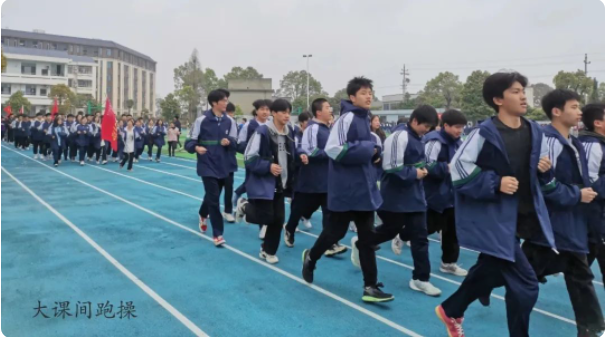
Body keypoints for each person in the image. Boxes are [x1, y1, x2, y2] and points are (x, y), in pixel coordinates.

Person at [435, 72, 556, 337]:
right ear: (498, 99)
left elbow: (537, 167)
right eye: (515, 91)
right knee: (526, 285)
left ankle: (451, 308)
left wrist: (543, 170)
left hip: (527, 215)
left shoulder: (535, 129)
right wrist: (495, 183)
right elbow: (458, 170)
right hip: (496, 218)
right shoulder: (483, 133)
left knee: (493, 268)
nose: (523, 95)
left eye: (523, 90)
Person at [302, 77, 394, 302]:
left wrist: (375, 155)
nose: (369, 96)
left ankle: (370, 286)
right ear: (352, 97)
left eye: (370, 92)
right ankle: (311, 257)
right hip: (345, 188)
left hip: (364, 188)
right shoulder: (348, 118)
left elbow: (370, 151)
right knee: (335, 233)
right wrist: (366, 149)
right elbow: (333, 149)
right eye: (363, 93)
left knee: (367, 237)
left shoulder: (365, 120)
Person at [521, 89, 604, 336]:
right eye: (574, 107)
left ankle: (590, 329)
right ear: (557, 112)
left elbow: (582, 181)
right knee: (520, 271)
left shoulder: (573, 142)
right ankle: (468, 294)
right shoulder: (550, 142)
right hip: (552, 225)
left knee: (579, 275)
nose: (580, 112)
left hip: (573, 221)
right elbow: (544, 186)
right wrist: (579, 194)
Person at [353, 105, 441, 297]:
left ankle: (421, 278)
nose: (427, 130)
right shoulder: (398, 137)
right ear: (415, 120)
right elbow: (391, 167)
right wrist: (414, 173)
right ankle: (363, 243)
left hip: (416, 195)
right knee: (389, 230)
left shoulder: (421, 138)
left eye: (430, 127)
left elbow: (420, 162)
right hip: (395, 196)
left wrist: (423, 170)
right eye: (425, 125)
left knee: (420, 236)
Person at [234, 99, 295, 263]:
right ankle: (243, 205)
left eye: (288, 112)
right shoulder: (263, 132)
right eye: (283, 112)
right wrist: (267, 166)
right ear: (274, 113)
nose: (286, 115)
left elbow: (293, 153)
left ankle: (268, 251)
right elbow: (249, 157)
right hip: (265, 183)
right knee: (266, 217)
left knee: (279, 219)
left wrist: (301, 156)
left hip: (281, 183)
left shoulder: (289, 132)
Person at [284, 98, 347, 256]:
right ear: (318, 112)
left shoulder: (330, 128)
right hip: (311, 180)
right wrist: (332, 153)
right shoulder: (313, 129)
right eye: (327, 107)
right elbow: (309, 151)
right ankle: (289, 229)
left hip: (328, 179)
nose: (331, 109)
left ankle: (330, 243)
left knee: (329, 212)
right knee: (299, 209)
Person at [412, 109, 468, 277]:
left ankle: (449, 262)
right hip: (434, 194)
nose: (460, 130)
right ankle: (403, 234)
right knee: (429, 227)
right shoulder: (434, 141)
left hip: (452, 194)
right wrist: (447, 168)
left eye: (462, 127)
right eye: (456, 127)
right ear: (446, 126)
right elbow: (426, 165)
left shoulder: (459, 142)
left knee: (452, 230)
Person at [185, 89, 237, 246]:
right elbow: (189, 142)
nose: (226, 103)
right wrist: (196, 148)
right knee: (214, 199)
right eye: (224, 100)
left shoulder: (230, 121)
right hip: (207, 163)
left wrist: (229, 142)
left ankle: (202, 213)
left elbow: (236, 144)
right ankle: (218, 234)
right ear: (215, 102)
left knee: (213, 194)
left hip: (224, 164)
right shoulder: (202, 120)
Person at [234, 99, 272, 239]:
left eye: (268, 109)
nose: (265, 112)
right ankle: (245, 207)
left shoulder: (271, 125)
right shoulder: (249, 125)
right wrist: (252, 151)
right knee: (256, 194)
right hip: (254, 164)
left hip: (269, 165)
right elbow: (239, 144)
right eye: (262, 109)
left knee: (268, 196)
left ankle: (263, 225)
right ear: (256, 111)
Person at [579, 103, 605, 285]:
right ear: (598, 123)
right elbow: (588, 180)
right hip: (594, 215)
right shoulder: (591, 145)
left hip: (599, 216)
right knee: (581, 268)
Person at [223, 102, 238, 223]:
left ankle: (228, 211)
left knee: (228, 188)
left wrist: (229, 141)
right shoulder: (213, 123)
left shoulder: (233, 124)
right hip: (215, 163)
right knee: (213, 190)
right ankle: (205, 210)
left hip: (229, 162)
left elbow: (235, 143)